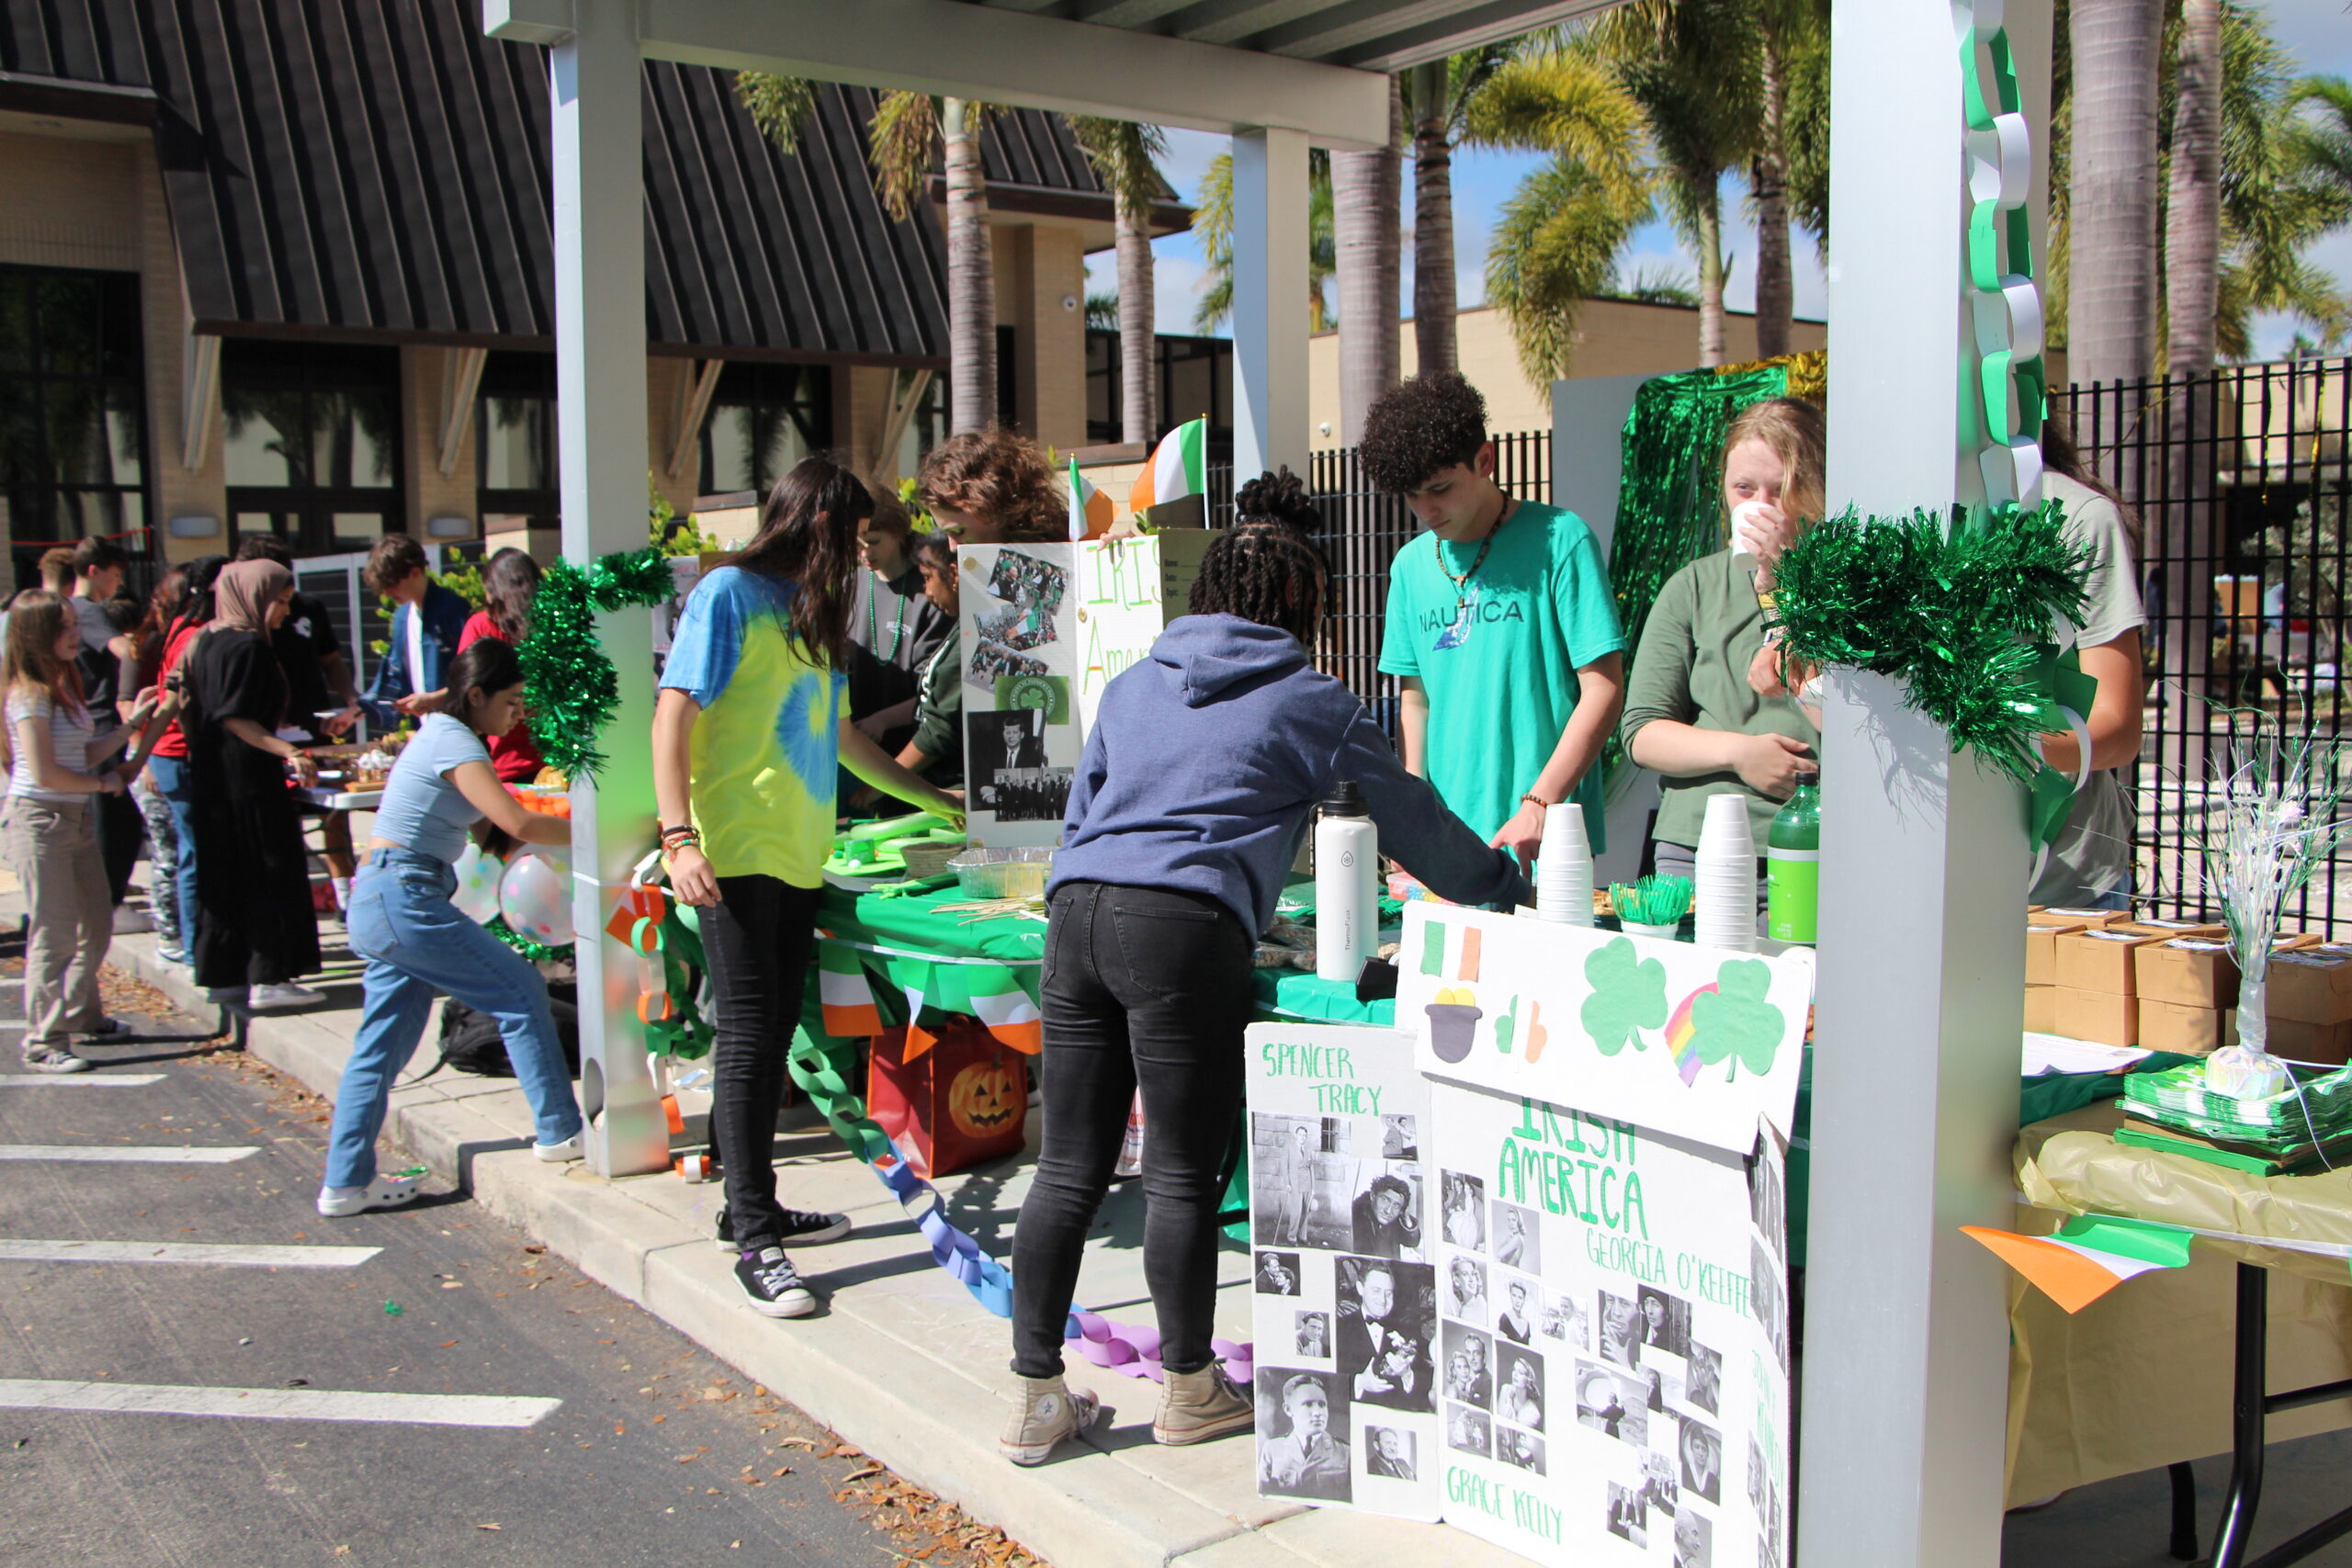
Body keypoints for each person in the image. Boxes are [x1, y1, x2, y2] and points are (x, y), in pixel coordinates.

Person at [1001, 512, 1529, 1466]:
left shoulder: (1132, 684)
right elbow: (1412, 819)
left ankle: (1037, 1396)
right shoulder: (1309, 699)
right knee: (1178, 1175)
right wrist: (1503, 885)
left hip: (1074, 918)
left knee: (1070, 1169)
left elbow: (1084, 816)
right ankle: (1190, 1390)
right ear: (1303, 606)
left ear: (1204, 598)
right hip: (1180, 930)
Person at [653, 457, 964, 1323]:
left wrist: (934, 800)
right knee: (750, 1044)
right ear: (822, 523)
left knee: (776, 1032)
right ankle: (758, 1239)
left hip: (797, 858)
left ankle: (744, 1206)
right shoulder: (728, 595)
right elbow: (671, 713)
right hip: (734, 857)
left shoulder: (813, 615)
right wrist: (678, 839)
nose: (865, 555)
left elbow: (839, 741)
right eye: (858, 536)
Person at [317, 637, 584, 1216]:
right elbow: (513, 820)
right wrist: (599, 829)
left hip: (387, 895)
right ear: (476, 694)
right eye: (511, 701)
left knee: (379, 1047)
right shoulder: (452, 737)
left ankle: (345, 1183)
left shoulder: (447, 737)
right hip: (404, 896)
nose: (518, 714)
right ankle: (561, 1132)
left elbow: (494, 834)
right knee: (518, 988)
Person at [1363, 372, 1626, 868]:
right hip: (1447, 842)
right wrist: (1413, 813)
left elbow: (1605, 688)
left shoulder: (1562, 541)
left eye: (1440, 488)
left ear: (1485, 460)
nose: (1426, 509)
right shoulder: (1410, 566)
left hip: (1543, 839)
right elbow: (1415, 699)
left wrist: (1540, 803)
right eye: (1412, 494)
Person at [1622, 397, 1826, 884]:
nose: (1760, 506)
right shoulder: (1693, 587)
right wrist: (1740, 752)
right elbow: (1642, 732)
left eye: (1781, 490)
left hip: (1812, 844)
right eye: (1744, 488)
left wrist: (1779, 583)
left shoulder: (1849, 587)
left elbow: (1848, 719)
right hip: (1698, 842)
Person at [3, 592, 163, 1071]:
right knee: (53, 935)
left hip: (73, 819)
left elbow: (83, 753)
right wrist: (103, 783)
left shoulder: (59, 685)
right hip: (40, 820)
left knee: (95, 921)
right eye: (66, 626)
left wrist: (131, 725)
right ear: (37, 635)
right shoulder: (28, 694)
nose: (76, 634)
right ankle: (43, 1039)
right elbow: (45, 772)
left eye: (74, 624)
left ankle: (81, 1015)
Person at [179, 558, 324, 1011]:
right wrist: (289, 752)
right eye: (278, 602)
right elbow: (236, 716)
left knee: (223, 874)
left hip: (212, 776)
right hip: (246, 776)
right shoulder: (249, 648)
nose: (283, 612)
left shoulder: (207, 639)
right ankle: (269, 974)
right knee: (268, 870)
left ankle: (224, 972)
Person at [2019, 413, 2148, 908]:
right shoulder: (1879, 512)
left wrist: (1981, 741)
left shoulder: (2075, 516)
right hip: (1918, 874)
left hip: (2062, 886)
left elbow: (2116, 729)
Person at [237, 536, 362, 915]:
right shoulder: (240, 623)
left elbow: (331, 660)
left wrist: (350, 699)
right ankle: (293, 900)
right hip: (264, 740)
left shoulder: (309, 608)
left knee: (334, 817)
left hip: (313, 733)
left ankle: (347, 900)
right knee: (278, 827)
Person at [141, 556, 225, 966]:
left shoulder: (180, 627)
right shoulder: (193, 632)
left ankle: (197, 945)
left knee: (192, 854)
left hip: (170, 753)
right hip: (179, 753)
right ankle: (197, 949)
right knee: (195, 856)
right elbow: (184, 702)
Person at [844, 487, 951, 758]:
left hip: (913, 749)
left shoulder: (930, 590)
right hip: (856, 745)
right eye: (858, 544)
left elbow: (936, 689)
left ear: (898, 530)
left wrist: (883, 720)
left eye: (875, 541)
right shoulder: (850, 584)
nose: (865, 553)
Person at [67, 537, 144, 907]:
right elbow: (125, 651)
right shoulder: (89, 612)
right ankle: (105, 902)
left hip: (84, 725)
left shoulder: (67, 610)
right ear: (94, 571)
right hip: (102, 726)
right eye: (114, 576)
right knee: (116, 828)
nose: (118, 585)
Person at [125, 570, 188, 963]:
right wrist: (141, 759)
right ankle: (169, 935)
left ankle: (182, 930)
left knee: (181, 853)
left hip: (171, 753)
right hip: (154, 756)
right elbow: (125, 704)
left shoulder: (179, 639)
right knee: (167, 854)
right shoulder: (146, 644)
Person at [456, 548, 548, 784]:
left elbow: (464, 688)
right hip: (556, 762)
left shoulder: (481, 625)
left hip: (502, 764)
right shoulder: (554, 626)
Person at [359, 534, 470, 727]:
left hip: (458, 728)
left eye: (392, 585)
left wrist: (434, 699)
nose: (387, 593)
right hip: (424, 729)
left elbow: (475, 675)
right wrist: (355, 711)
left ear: (415, 572)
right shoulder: (402, 616)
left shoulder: (453, 609)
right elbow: (391, 676)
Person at [883, 528, 964, 791]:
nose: (926, 592)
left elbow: (940, 731)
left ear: (953, 575)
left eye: (928, 578)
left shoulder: (971, 642)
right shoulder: (959, 629)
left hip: (954, 791)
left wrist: (880, 785)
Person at [916, 429, 1065, 544]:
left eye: (959, 531)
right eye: (946, 534)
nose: (953, 546)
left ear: (989, 507)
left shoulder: (1072, 548)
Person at [1338, 1263, 1432, 1412]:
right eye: (1376, 1291)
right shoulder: (1339, 1328)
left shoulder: (1407, 1331)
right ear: (1360, 1288)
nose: (1383, 1300)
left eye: (1388, 1293)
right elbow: (1327, 1384)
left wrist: (1407, 1374)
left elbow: (1426, 1390)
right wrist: (1359, 1382)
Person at [1256, 1376, 1351, 1500]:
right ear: (1288, 1409)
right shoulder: (1272, 1449)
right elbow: (1264, 1495)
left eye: (1322, 1405)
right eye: (1308, 1404)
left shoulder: (1345, 1452)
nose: (1317, 1412)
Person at [1267, 1121, 1314, 1246]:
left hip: (1307, 1184)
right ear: (1296, 1135)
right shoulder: (1289, 1147)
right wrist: (1287, 1182)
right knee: (1296, 1211)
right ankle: (1292, 1236)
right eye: (1300, 1135)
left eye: (1304, 1135)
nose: (1302, 1137)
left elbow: (1311, 1168)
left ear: (1306, 1137)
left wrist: (1313, 1187)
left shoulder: (1308, 1149)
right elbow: (1284, 1165)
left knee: (1305, 1211)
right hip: (1295, 1183)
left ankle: (1302, 1236)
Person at [1352, 1172, 1419, 1258]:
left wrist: (1406, 1218)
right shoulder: (1355, 1216)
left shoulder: (1395, 1220)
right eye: (1384, 1200)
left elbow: (1412, 1242)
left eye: (1396, 1205)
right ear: (1373, 1196)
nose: (1388, 1211)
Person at [1498, 1356, 1543, 1430]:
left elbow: (1514, 1430)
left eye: (1520, 1373)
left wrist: (1509, 1399)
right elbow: (1499, 1419)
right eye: (1514, 1370)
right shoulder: (1505, 1389)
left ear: (1528, 1381)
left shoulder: (1534, 1414)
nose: (1515, 1374)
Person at [1498, 1279, 1534, 1345]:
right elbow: (1501, 1346)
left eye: (1520, 1298)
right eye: (1514, 1296)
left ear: (1524, 1300)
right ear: (1510, 1296)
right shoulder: (1505, 1318)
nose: (1517, 1301)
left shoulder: (1527, 1323)